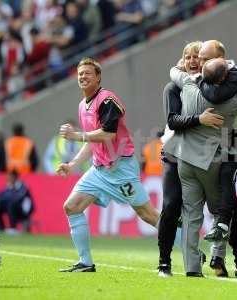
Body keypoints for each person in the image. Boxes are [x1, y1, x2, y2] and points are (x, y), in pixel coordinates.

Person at [57, 57, 160, 272]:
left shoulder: (107, 100)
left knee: (148, 216)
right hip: (99, 170)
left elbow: (107, 134)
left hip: (121, 168)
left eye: (87, 73)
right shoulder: (82, 105)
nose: (82, 77)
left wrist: (76, 135)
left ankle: (192, 250)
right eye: (80, 74)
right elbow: (93, 142)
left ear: (98, 77)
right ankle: (85, 263)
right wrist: (73, 164)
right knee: (72, 207)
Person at [165, 53, 237, 276]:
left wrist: (180, 67)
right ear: (223, 80)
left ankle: (192, 269)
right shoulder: (232, 101)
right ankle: (219, 257)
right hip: (211, 162)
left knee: (191, 214)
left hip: (184, 160)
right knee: (222, 212)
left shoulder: (188, 84)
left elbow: (174, 73)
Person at [196, 40, 237, 277]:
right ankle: (222, 258)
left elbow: (216, 96)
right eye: (197, 57)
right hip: (213, 142)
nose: (199, 62)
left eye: (205, 58)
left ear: (221, 59)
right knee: (227, 200)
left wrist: (197, 80)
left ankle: (230, 253)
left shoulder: (234, 75)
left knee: (226, 183)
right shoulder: (193, 76)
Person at [158, 41, 224, 277]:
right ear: (182, 61)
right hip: (175, 156)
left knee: (225, 206)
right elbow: (173, 121)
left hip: (205, 156)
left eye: (197, 56)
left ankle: (228, 260)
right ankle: (164, 262)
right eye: (188, 57)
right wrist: (200, 120)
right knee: (172, 206)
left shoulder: (213, 87)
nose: (193, 61)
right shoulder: (173, 88)